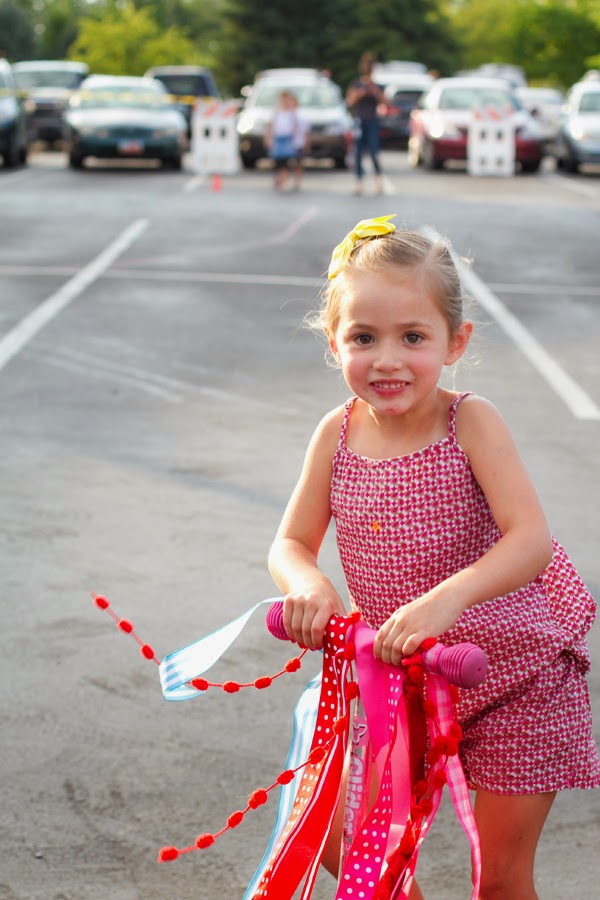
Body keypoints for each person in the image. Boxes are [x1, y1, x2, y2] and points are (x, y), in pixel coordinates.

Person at [268, 215, 600, 899]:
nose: (387, 359)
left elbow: (530, 540)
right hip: (402, 682)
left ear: (456, 341)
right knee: (342, 840)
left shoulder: (469, 422)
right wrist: (309, 584)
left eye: (413, 337)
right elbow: (291, 542)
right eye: (364, 337)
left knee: (500, 880)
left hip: (516, 681)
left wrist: (447, 598)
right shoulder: (335, 435)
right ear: (335, 342)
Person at [346, 53, 385, 195]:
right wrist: (361, 93)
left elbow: (385, 102)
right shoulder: (356, 83)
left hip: (373, 121)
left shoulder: (377, 85)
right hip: (359, 120)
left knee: (374, 151)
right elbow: (349, 102)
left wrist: (374, 91)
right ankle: (359, 182)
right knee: (358, 152)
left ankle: (378, 180)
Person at [264, 89, 308, 192]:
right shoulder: (276, 111)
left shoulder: (292, 112)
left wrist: (297, 140)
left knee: (287, 162)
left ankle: (284, 181)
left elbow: (296, 127)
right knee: (278, 162)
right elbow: (271, 125)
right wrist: (269, 138)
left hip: (288, 139)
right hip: (278, 139)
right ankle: (279, 180)